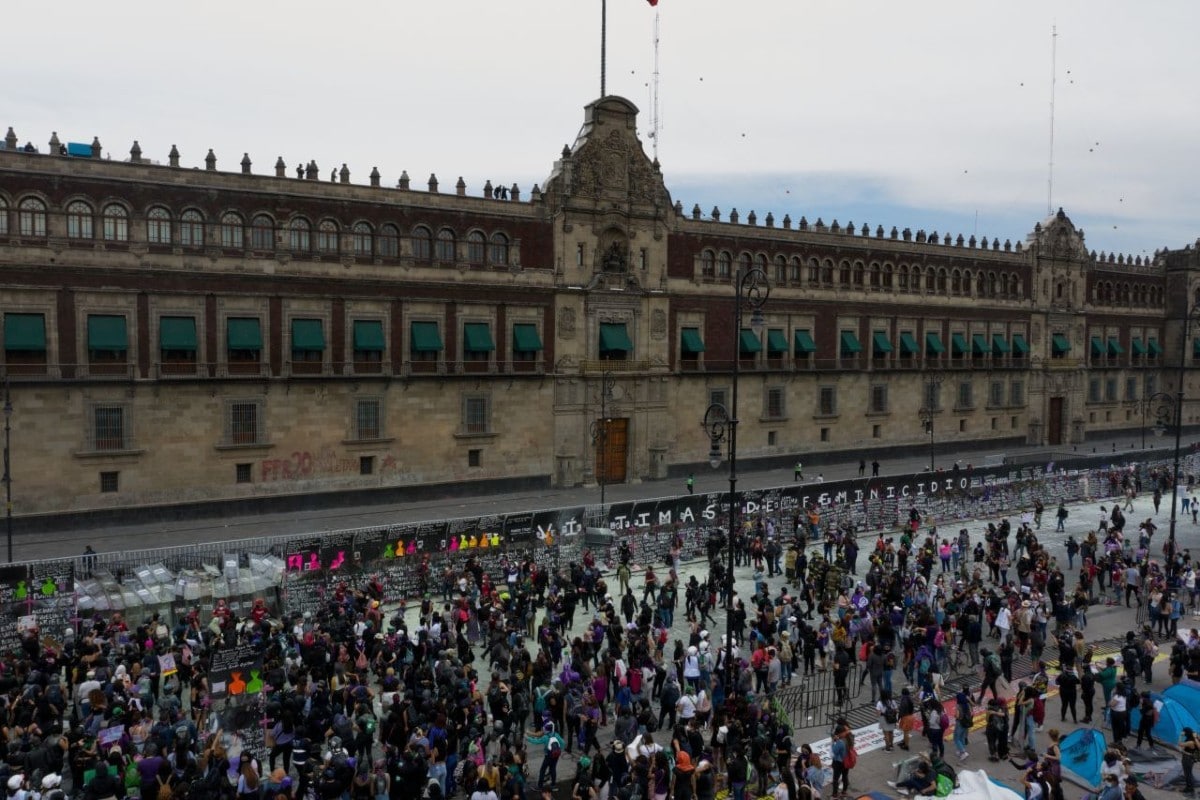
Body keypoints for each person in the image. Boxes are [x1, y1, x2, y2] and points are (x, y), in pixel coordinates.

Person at [1182, 726, 1200, 795]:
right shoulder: (1193, 738)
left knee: (1188, 773)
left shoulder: (1192, 740)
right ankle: (1189, 788)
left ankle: (1190, 788)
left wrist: (1195, 737)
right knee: (1188, 773)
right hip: (1191, 757)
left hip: (1189, 758)